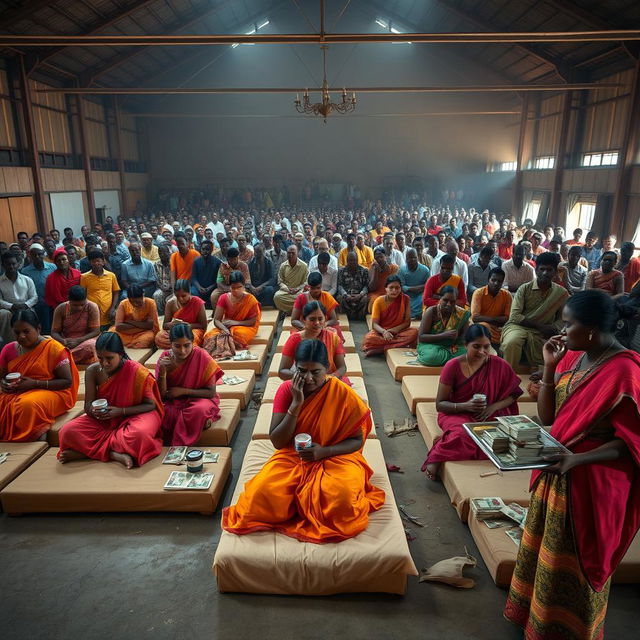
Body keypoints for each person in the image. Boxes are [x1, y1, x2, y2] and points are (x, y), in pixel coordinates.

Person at [504, 290, 640, 640]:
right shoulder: (573, 357)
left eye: (568, 323)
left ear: (592, 329)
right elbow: (549, 416)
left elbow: (631, 444)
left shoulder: (624, 371)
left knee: (578, 565)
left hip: (591, 480)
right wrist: (549, 366)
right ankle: (538, 621)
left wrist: (578, 459)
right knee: (546, 552)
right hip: (558, 470)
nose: (560, 331)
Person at [222, 339, 385, 543]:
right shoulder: (286, 390)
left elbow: (356, 441)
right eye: (302, 371)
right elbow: (278, 442)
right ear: (294, 368)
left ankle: (298, 506)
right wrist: (296, 404)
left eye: (315, 372)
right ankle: (295, 505)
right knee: (259, 496)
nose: (308, 378)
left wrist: (323, 452)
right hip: (293, 454)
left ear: (327, 368)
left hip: (336, 456)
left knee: (342, 503)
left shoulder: (342, 393)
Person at [420, 324, 523, 480]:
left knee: (503, 437)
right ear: (465, 345)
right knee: (462, 435)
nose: (482, 352)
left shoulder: (499, 364)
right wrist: (465, 406)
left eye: (487, 347)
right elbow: (440, 404)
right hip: (457, 413)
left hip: (489, 413)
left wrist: (493, 407)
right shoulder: (452, 366)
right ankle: (438, 455)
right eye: (476, 346)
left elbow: (514, 394)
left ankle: (448, 445)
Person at [58, 332, 163, 468]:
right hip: (105, 419)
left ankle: (87, 453)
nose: (104, 363)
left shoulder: (138, 372)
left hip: (135, 415)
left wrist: (121, 411)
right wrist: (94, 412)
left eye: (109, 358)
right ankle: (114, 453)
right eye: (100, 358)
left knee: (139, 435)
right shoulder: (93, 371)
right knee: (66, 431)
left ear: (120, 354)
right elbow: (88, 406)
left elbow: (150, 405)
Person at [0, 309, 78, 441]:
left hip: (53, 391)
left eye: (26, 331)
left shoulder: (53, 348)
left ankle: (35, 435)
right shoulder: (8, 349)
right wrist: (4, 384)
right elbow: (2, 377)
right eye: (17, 332)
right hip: (17, 392)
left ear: (38, 328)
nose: (21, 336)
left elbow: (66, 382)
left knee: (27, 405)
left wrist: (35, 383)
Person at [156, 323, 224, 446]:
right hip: (173, 401)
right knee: (162, 413)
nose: (182, 351)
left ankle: (196, 426)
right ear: (170, 344)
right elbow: (161, 396)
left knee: (198, 410)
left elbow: (210, 392)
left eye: (187, 345)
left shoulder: (202, 356)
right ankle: (202, 422)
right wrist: (163, 373)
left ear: (193, 342)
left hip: (200, 399)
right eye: (177, 346)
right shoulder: (164, 358)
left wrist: (184, 391)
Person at [501, 252, 569, 369]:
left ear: (555, 272)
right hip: (518, 327)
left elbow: (563, 319)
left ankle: (543, 381)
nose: (545, 273)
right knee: (512, 342)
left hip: (546, 330)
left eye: (549, 270)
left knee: (560, 349)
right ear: (536, 270)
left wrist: (554, 328)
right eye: (542, 269)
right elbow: (515, 316)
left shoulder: (562, 293)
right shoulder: (524, 289)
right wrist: (539, 326)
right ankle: (508, 378)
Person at [280, 301, 347, 381]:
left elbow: (342, 367)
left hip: (328, 381)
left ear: (325, 318)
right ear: (303, 319)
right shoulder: (295, 339)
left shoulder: (333, 338)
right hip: (303, 382)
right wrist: (306, 377)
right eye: (312, 319)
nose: (317, 323)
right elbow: (282, 371)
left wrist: (328, 378)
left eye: (320, 319)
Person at [362, 275, 418, 356]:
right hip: (381, 332)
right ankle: (399, 345)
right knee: (369, 338)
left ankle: (381, 349)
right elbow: (374, 324)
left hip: (399, 331)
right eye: (391, 288)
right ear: (386, 289)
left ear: (401, 288)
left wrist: (393, 330)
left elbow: (407, 322)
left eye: (397, 288)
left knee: (414, 333)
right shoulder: (379, 301)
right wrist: (384, 332)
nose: (394, 290)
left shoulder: (405, 299)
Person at [204, 271, 261, 350]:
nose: (236, 290)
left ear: (244, 286)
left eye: (239, 287)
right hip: (227, 327)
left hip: (244, 327)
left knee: (239, 335)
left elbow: (252, 322)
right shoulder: (223, 298)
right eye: (233, 288)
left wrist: (235, 322)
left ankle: (226, 343)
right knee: (209, 336)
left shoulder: (251, 299)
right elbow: (217, 320)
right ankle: (228, 343)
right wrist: (224, 329)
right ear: (229, 287)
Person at [417, 287, 472, 366]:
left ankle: (447, 359)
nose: (449, 304)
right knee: (431, 357)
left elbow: (465, 338)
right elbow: (421, 337)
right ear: (440, 299)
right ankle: (452, 361)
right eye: (445, 300)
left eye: (452, 301)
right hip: (431, 345)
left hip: (452, 347)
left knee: (469, 353)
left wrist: (458, 338)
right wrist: (443, 335)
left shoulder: (462, 314)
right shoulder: (431, 311)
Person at [50, 285, 100, 365]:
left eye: (82, 305)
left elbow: (96, 331)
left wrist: (78, 340)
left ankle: (64, 359)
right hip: (66, 341)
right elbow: (54, 332)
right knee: (47, 342)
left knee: (91, 345)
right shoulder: (61, 308)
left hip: (85, 341)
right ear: (69, 300)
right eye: (75, 305)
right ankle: (65, 358)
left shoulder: (92, 307)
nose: (79, 308)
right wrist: (63, 341)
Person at [155, 279, 207, 349]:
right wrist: (171, 325)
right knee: (159, 337)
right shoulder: (171, 303)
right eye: (177, 296)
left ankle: (179, 346)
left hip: (192, 330)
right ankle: (178, 346)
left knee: (192, 339)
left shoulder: (198, 302)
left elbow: (203, 325)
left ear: (189, 292)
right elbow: (165, 325)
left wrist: (188, 326)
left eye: (183, 296)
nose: (180, 299)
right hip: (177, 330)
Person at [0, 251, 38, 344]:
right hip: (8, 309)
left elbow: (34, 297)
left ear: (18, 264)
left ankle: (32, 341)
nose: (11, 267)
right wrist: (11, 306)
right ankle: (10, 343)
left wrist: (25, 305)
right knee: (3, 314)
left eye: (13, 264)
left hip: (25, 307)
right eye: (8, 264)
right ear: (3, 265)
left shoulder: (27, 280)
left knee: (29, 313)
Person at [291, 272, 342, 338]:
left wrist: (325, 324)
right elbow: (294, 320)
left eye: (318, 288)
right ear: (308, 286)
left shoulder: (327, 297)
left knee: (335, 333)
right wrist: (305, 327)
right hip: (306, 327)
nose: (316, 291)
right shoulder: (301, 298)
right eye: (312, 288)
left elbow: (334, 319)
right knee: (295, 336)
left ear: (321, 285)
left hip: (323, 327)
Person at [470, 268, 511, 348]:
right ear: (488, 280)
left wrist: (487, 319)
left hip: (500, 329)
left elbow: (507, 318)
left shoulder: (507, 295)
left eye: (499, 281)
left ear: (502, 282)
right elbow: (475, 317)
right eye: (493, 280)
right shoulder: (478, 293)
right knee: (483, 326)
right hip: (484, 327)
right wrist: (495, 320)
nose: (496, 283)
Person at [80, 249, 120, 330]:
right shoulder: (84, 277)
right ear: (90, 263)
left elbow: (116, 292)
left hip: (108, 313)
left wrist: (113, 308)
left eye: (98, 261)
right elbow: (82, 295)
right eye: (93, 261)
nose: (96, 263)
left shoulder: (111, 276)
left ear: (103, 262)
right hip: (92, 313)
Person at [20, 243, 56, 334]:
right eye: (34, 255)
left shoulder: (52, 267)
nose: (37, 256)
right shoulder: (25, 271)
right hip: (35, 302)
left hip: (52, 300)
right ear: (30, 255)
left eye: (39, 254)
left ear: (43, 253)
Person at [274, 245, 309, 314]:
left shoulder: (304, 266)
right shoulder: (283, 266)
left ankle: (290, 311)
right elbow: (280, 281)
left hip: (299, 291)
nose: (290, 255)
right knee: (277, 297)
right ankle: (293, 311)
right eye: (289, 253)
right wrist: (287, 289)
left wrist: (297, 289)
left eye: (293, 253)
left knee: (304, 297)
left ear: (297, 253)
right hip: (286, 291)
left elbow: (306, 281)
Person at [337, 250, 369, 320]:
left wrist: (360, 295)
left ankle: (360, 318)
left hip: (359, 295)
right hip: (346, 295)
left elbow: (366, 286)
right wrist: (345, 295)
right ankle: (346, 317)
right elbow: (339, 285)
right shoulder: (341, 271)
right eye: (350, 260)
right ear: (347, 261)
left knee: (365, 299)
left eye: (354, 260)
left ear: (357, 260)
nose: (352, 262)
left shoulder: (364, 270)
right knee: (340, 298)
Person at [399, 248, 430, 318]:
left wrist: (409, 288)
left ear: (417, 258)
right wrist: (418, 288)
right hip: (406, 295)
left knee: (425, 299)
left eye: (414, 257)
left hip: (420, 295)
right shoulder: (402, 270)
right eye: (410, 258)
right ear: (406, 259)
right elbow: (402, 287)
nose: (412, 259)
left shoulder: (425, 270)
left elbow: (428, 286)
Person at [367, 246, 399, 313]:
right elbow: (371, 288)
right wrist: (376, 272)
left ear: (386, 257)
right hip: (376, 293)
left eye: (381, 257)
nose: (379, 260)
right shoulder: (372, 268)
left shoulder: (394, 268)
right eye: (377, 258)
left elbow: (394, 284)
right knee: (374, 300)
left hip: (389, 291)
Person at [190, 239, 221, 307]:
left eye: (207, 249)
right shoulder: (196, 261)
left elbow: (218, 280)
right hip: (198, 288)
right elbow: (193, 277)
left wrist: (209, 288)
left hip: (211, 288)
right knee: (192, 292)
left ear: (211, 250)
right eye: (203, 249)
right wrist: (199, 287)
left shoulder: (218, 263)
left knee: (216, 295)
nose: (205, 252)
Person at [153, 243, 173, 315]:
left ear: (168, 252)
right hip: (162, 288)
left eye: (164, 252)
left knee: (173, 297)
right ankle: (161, 315)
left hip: (173, 288)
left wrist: (170, 286)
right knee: (157, 295)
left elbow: (177, 277)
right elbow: (156, 279)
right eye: (160, 252)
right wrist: (162, 287)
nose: (161, 254)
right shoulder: (156, 264)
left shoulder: (174, 263)